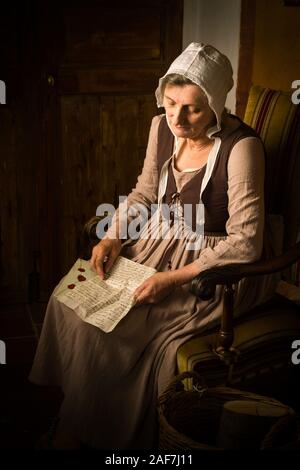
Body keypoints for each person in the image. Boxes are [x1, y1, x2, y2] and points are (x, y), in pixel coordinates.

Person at [29, 43, 272, 449]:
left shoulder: (242, 148)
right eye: (171, 103)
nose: (177, 117)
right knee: (68, 304)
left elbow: (246, 241)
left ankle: (117, 437)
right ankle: (81, 420)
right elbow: (143, 194)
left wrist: (171, 279)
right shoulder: (160, 127)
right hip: (155, 246)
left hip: (210, 269)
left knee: (116, 333)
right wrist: (113, 235)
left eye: (192, 108)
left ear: (215, 103)